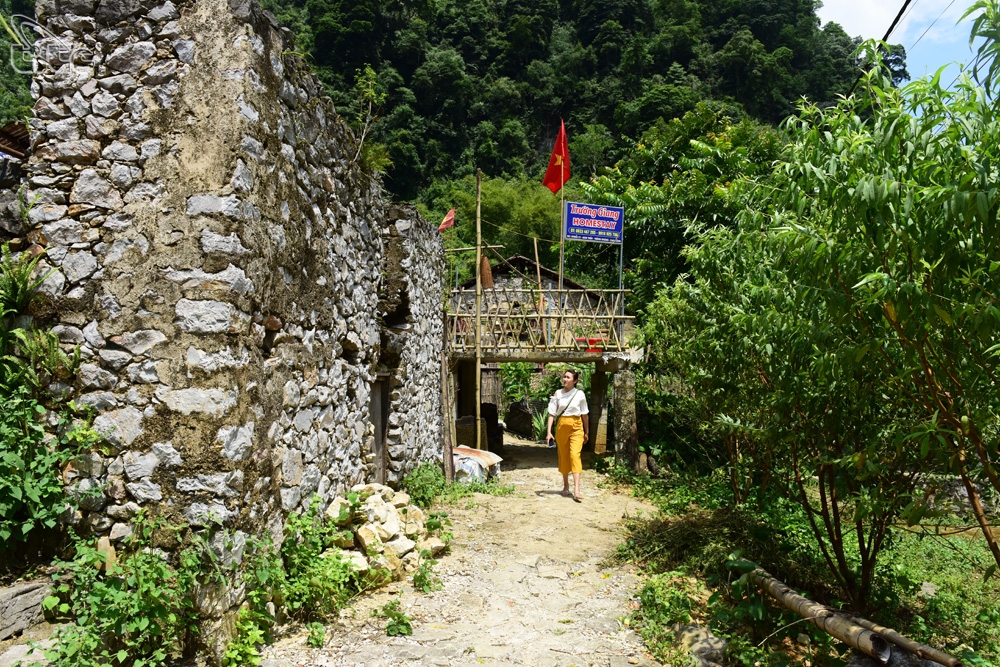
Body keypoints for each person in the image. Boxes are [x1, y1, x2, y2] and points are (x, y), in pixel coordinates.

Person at [546, 370, 589, 502]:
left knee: (574, 455)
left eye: (568, 377)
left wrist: (587, 432)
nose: (565, 379)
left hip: (577, 426)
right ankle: (566, 486)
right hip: (562, 426)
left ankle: (577, 489)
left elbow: (584, 414)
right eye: (564, 377)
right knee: (564, 455)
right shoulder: (558, 394)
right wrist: (549, 432)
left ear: (575, 381)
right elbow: (552, 413)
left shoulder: (580, 394)